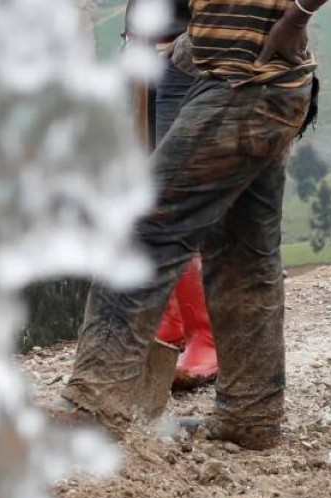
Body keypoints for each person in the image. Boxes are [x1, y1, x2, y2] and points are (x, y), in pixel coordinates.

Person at [61, 0, 327, 450]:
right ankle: (249, 415)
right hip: (259, 83)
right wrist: (192, 42)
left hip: (243, 85)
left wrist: (297, 15)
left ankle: (91, 411)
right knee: (243, 251)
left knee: (141, 235)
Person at [126, 0, 219, 389]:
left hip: (188, 54)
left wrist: (184, 42)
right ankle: (171, 321)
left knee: (173, 197)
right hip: (147, 50)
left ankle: (206, 335)